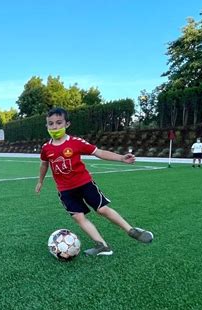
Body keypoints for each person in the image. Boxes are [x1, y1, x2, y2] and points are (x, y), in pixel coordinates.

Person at [35, 108, 154, 256]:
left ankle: (132, 230)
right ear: (46, 126)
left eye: (59, 123)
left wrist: (121, 158)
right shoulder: (46, 148)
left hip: (85, 183)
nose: (55, 127)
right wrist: (40, 181)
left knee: (102, 209)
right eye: (51, 124)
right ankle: (102, 246)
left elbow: (99, 152)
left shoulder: (76, 142)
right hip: (65, 190)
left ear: (67, 124)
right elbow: (44, 164)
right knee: (78, 217)